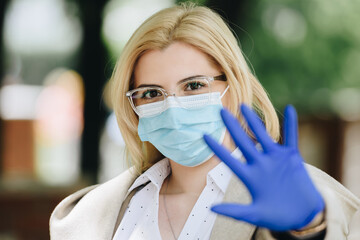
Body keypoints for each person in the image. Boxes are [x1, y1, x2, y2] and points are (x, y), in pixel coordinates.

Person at [50, 3, 360, 239]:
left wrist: (309, 229)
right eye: (151, 93)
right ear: (132, 106)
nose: (172, 107)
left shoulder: (305, 196)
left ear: (232, 87)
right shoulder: (93, 212)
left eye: (194, 86)